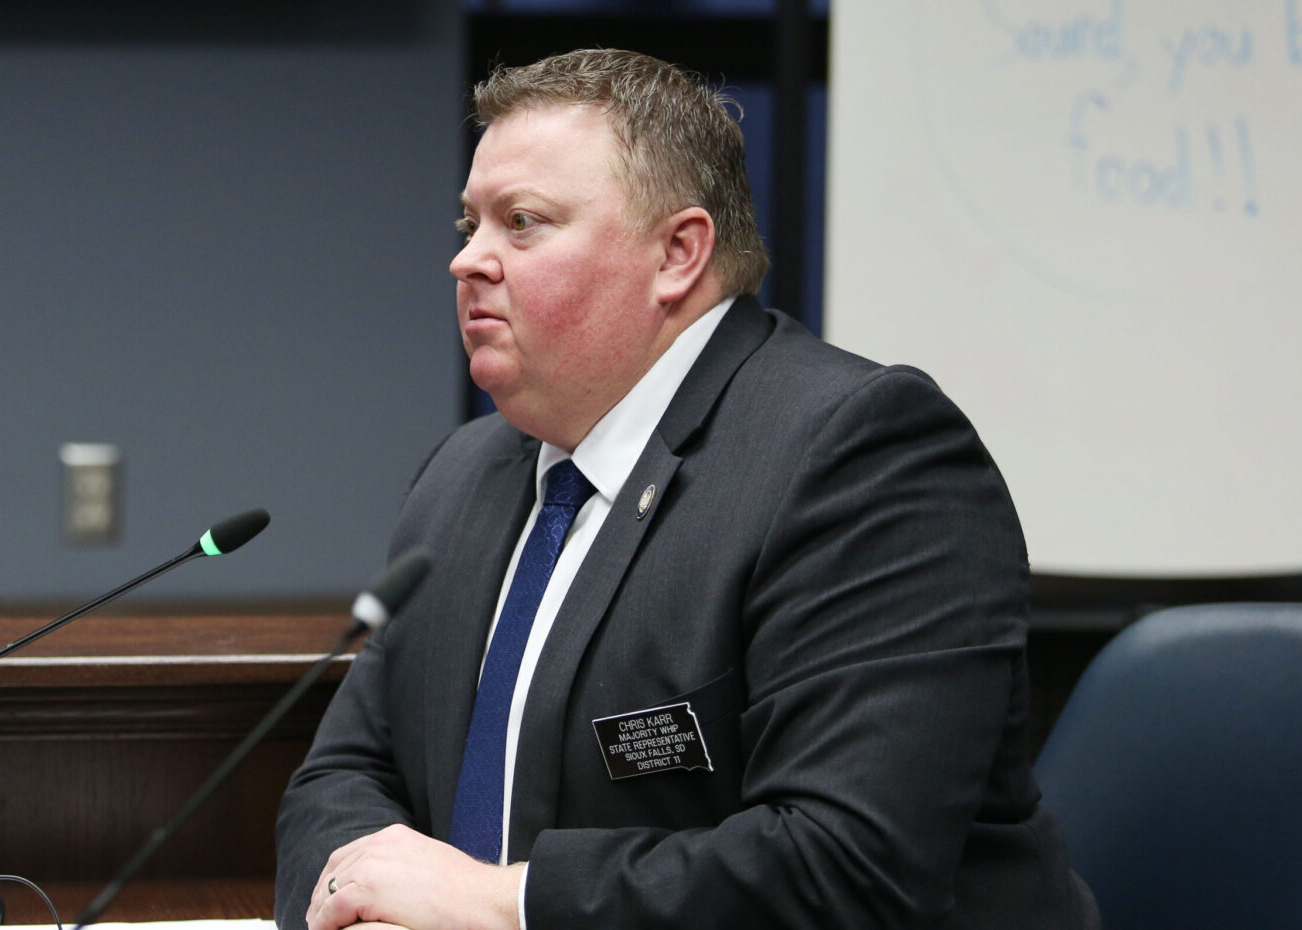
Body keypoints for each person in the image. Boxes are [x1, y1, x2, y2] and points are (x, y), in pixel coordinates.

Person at [276, 48, 1098, 930]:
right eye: (468, 224)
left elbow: (845, 869)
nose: (469, 261)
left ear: (678, 253)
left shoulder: (863, 454)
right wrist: (361, 907)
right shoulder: (463, 476)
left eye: (521, 222)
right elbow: (343, 778)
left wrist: (496, 903)